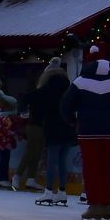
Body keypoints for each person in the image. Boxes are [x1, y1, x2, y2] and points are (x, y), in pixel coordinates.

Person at [62, 58, 110, 220]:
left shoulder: (80, 82)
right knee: (105, 167)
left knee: (91, 168)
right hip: (109, 131)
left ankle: (94, 205)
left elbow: (66, 105)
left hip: (88, 130)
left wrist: (72, 120)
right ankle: (106, 206)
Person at [14, 59, 63, 192]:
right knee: (31, 151)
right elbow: (24, 98)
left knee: (37, 153)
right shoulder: (41, 91)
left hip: (41, 125)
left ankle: (30, 179)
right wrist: (23, 111)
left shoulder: (48, 92)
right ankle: (18, 175)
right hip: (35, 125)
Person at [31, 60, 75, 204]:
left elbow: (32, 102)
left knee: (52, 161)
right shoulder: (69, 88)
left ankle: (49, 191)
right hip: (68, 127)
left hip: (53, 127)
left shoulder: (46, 89)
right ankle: (62, 191)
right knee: (62, 161)